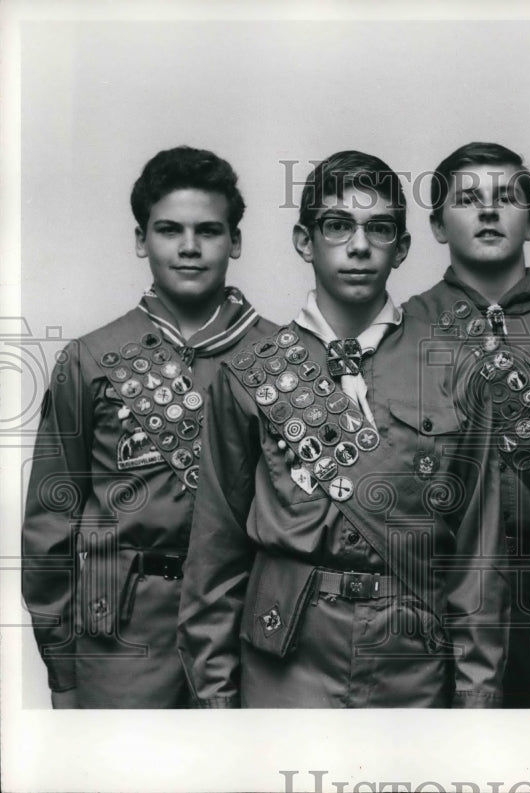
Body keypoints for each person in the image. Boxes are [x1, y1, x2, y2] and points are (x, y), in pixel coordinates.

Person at [177, 150, 508, 708]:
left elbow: (479, 557)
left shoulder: (455, 368)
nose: (359, 246)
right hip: (285, 652)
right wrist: (214, 698)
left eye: (378, 229)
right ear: (305, 242)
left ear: (401, 249)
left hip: (410, 650)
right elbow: (214, 554)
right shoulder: (253, 371)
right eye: (337, 226)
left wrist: (478, 699)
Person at [21, 145, 276, 708]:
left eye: (208, 230)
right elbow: (50, 521)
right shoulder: (91, 359)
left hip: (248, 623)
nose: (189, 247)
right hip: (122, 635)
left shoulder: (281, 357)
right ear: (142, 240)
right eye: (168, 230)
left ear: (235, 241)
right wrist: (62, 666)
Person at [403, 142, 530, 707]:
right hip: (436, 597)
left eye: (506, 199)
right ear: (438, 226)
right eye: (468, 199)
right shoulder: (400, 331)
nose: (489, 212)